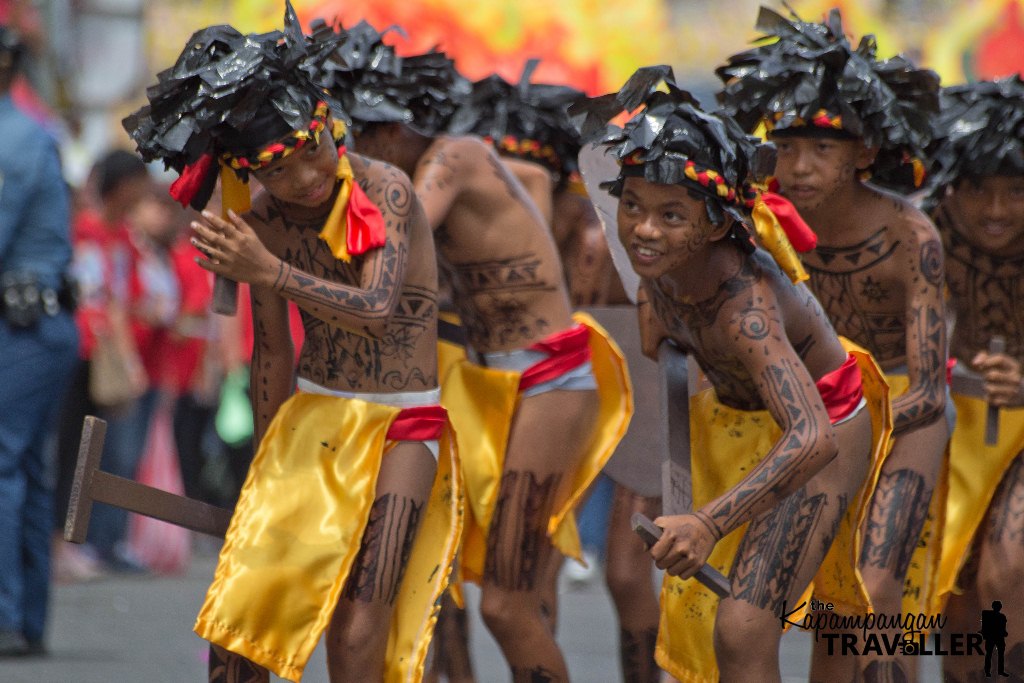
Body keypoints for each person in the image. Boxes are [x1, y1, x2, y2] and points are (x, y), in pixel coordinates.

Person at [122, 5, 462, 681]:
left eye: (312, 148)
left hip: (404, 424)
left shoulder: (383, 189)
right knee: (241, 619)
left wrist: (266, 269)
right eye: (277, 169)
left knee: (361, 625)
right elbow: (271, 350)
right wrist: (264, 459)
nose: (306, 176)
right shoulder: (263, 221)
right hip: (312, 420)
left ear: (329, 124)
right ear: (248, 173)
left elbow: (375, 308)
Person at [315, 21, 632, 681]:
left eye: (368, 136)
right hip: (492, 383)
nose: (362, 153)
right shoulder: (423, 165)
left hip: (550, 377)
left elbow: (390, 245)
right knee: (452, 579)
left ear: (400, 126)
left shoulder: (454, 158)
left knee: (509, 605)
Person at [571, 65, 892, 683]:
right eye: (632, 206)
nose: (641, 229)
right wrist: (652, 308)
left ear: (717, 225)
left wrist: (708, 520)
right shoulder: (656, 264)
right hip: (737, 420)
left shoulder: (746, 311)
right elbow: (655, 314)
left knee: (744, 625)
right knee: (705, 623)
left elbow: (812, 437)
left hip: (821, 429)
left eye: (670, 216)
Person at [716, 9, 951, 680]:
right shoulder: (758, 224)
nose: (800, 166)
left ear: (865, 155)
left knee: (870, 596)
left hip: (902, 416)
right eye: (786, 148)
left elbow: (931, 392)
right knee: (795, 607)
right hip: (807, 415)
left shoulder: (913, 235)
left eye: (823, 148)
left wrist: (846, 419)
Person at [448, 63, 659, 682]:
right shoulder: (487, 233)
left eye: (528, 178)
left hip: (636, 409)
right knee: (521, 580)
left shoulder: (609, 238)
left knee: (625, 571)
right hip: (539, 403)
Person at [924, 76, 1024, 683]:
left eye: (1015, 192)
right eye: (977, 191)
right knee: (952, 592)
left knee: (1007, 574)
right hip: (953, 426)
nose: (994, 211)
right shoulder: (923, 232)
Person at [0, 24, 78, 656]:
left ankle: (7, 617)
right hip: (36, 324)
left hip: (21, 327)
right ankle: (23, 622)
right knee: (21, 469)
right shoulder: (28, 131)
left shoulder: (11, 135)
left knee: (4, 467)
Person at [53, 149, 154, 577]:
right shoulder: (89, 231)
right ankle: (61, 544)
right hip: (83, 355)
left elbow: (127, 296)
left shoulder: (121, 236)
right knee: (71, 451)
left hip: (106, 357)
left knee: (95, 453)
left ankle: (84, 542)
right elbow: (96, 298)